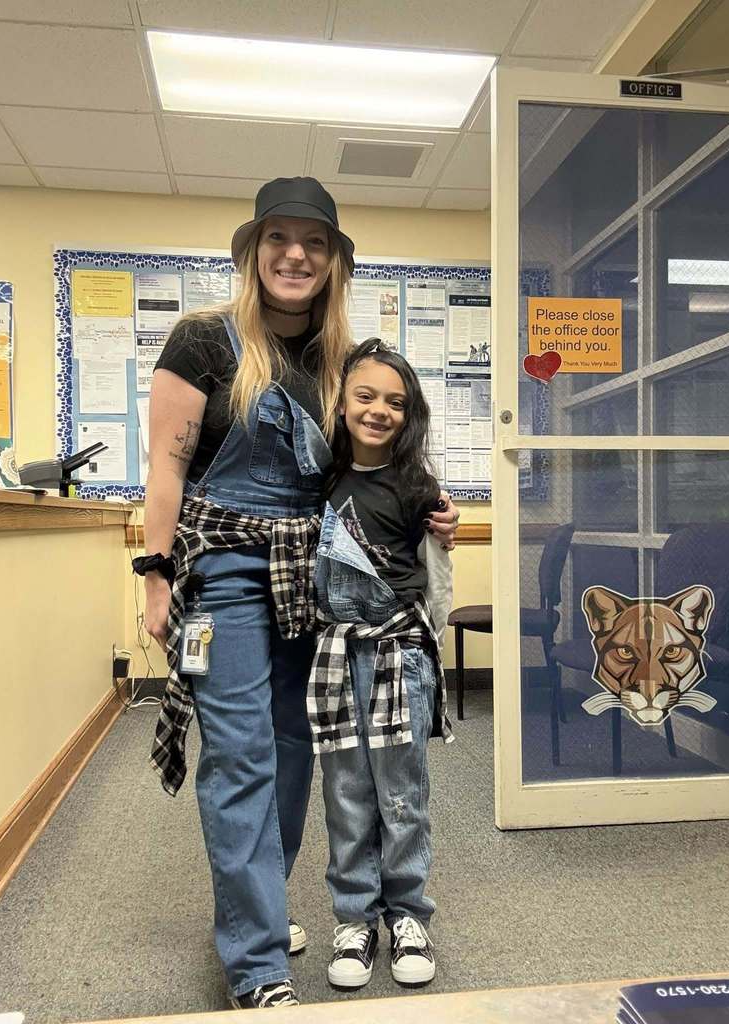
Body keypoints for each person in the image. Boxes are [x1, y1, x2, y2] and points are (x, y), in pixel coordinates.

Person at [134, 177, 460, 1009]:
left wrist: (432, 512)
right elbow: (167, 466)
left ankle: (264, 908)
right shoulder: (203, 341)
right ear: (252, 252)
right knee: (240, 757)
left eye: (314, 243)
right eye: (278, 238)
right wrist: (156, 574)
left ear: (335, 262)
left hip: (313, 572)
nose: (295, 254)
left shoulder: (339, 363)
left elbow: (367, 463)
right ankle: (255, 965)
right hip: (226, 568)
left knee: (292, 750)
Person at [308, 338, 454, 992]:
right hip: (336, 657)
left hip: (401, 654)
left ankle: (408, 914)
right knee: (346, 794)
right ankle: (354, 918)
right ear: (340, 404)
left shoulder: (419, 487)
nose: (379, 410)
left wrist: (434, 647)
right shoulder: (315, 480)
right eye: (365, 396)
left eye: (395, 401)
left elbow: (437, 574)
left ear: (409, 412)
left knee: (403, 792)